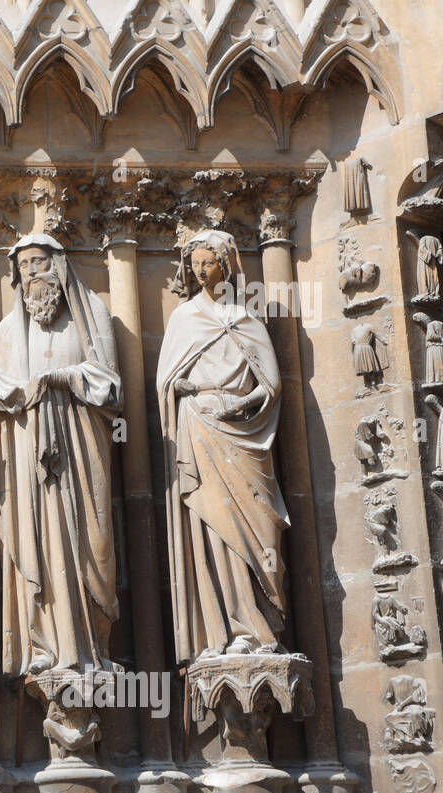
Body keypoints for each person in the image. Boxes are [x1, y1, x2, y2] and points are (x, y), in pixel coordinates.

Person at [0, 233, 120, 675]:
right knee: (39, 545)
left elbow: (110, 385)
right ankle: (44, 646)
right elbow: (10, 396)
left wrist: (62, 379)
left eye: (39, 262)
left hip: (81, 453)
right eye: (24, 265)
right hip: (29, 458)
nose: (31, 273)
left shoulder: (91, 315)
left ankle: (90, 648)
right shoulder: (10, 330)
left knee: (89, 546)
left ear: (59, 266)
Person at [157, 229, 289, 663]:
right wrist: (184, 389)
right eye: (194, 263)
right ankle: (227, 625)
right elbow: (165, 383)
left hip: (244, 433)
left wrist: (241, 403)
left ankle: (260, 621)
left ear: (226, 265)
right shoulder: (183, 319)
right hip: (200, 427)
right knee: (213, 526)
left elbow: (270, 382)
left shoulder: (245, 317)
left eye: (208, 261)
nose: (199, 269)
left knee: (257, 528)